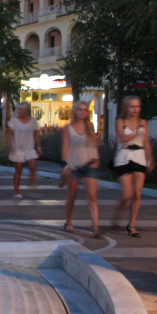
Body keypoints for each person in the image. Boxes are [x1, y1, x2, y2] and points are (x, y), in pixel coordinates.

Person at [112, 96, 155, 238]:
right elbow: (121, 138)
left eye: (137, 106)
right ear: (126, 108)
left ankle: (131, 224)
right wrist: (137, 132)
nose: (135, 109)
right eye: (132, 106)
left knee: (137, 193)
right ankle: (117, 215)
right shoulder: (120, 122)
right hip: (123, 158)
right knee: (126, 194)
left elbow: (146, 142)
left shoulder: (143, 123)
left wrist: (150, 158)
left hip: (139, 158)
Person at [62, 101, 101, 238]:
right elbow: (65, 148)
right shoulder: (68, 128)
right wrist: (65, 165)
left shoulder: (90, 127)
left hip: (89, 164)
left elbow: (94, 145)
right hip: (73, 165)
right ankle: (68, 222)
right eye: (80, 109)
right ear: (75, 111)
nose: (83, 112)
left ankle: (95, 228)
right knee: (71, 195)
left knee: (92, 197)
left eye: (85, 110)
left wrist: (96, 160)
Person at [7, 101, 40, 199]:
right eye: (18, 109)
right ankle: (16, 192)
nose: (19, 111)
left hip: (29, 148)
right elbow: (9, 135)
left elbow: (36, 134)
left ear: (26, 110)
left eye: (21, 109)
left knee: (33, 167)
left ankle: (32, 189)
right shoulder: (14, 121)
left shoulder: (32, 121)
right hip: (18, 149)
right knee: (19, 170)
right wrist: (11, 146)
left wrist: (39, 147)